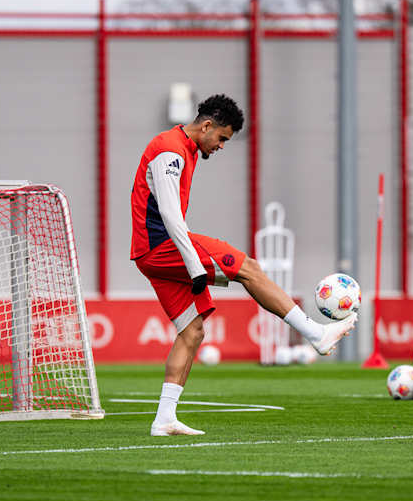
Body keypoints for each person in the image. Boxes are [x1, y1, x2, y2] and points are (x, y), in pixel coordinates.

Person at [130, 93, 357, 436]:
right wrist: (194, 267)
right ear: (206, 125)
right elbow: (171, 216)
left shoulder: (187, 150)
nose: (221, 146)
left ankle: (165, 419)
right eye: (221, 138)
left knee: (192, 332)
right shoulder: (169, 149)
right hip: (162, 246)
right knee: (248, 267)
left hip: (154, 253)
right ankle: (315, 333)